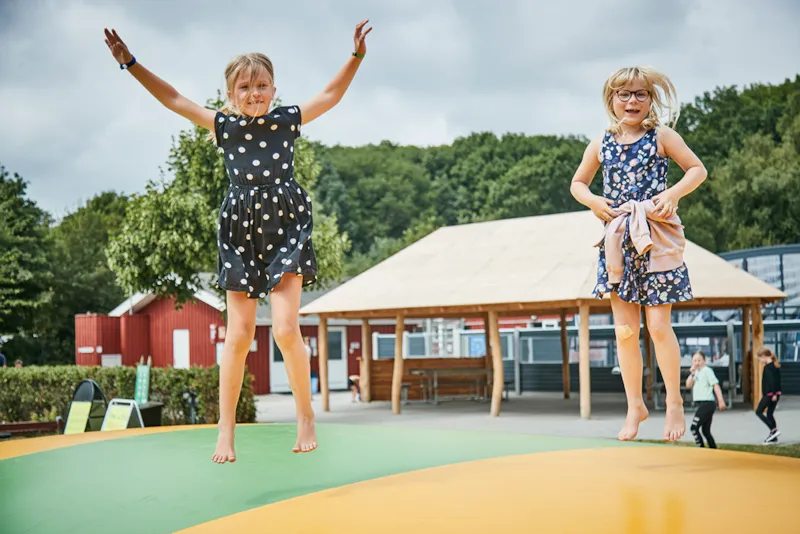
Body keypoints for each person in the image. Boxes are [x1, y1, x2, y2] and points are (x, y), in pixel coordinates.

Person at [103, 20, 372, 463]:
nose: (254, 93)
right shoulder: (223, 125)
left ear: (274, 89)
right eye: (245, 87)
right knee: (238, 335)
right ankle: (225, 430)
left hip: (286, 224)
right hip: (240, 230)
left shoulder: (286, 120)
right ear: (230, 94)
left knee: (285, 329)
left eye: (262, 85)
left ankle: (305, 416)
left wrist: (356, 56)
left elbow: (330, 95)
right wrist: (129, 63)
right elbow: (173, 98)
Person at [570, 66, 707, 442]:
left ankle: (674, 401)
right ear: (611, 99)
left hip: (656, 235)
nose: (632, 101)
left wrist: (673, 193)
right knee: (626, 331)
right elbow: (578, 183)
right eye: (624, 94)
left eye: (640, 94)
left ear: (651, 99)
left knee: (658, 326)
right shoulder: (601, 143)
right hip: (619, 239)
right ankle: (635, 406)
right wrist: (594, 201)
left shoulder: (661, 136)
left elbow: (697, 170)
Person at [685, 350, 726, 448]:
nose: (697, 363)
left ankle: (701, 447)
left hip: (707, 403)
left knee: (694, 428)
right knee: (705, 431)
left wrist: (720, 400)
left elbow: (715, 385)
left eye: (699, 360)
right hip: (700, 403)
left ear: (704, 360)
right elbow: (688, 385)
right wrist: (692, 373)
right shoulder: (696, 372)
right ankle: (713, 448)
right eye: (694, 361)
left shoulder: (707, 371)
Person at [755, 347, 782, 443]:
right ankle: (774, 436)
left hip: (770, 394)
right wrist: (776, 393)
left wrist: (773, 394)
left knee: (758, 412)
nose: (760, 361)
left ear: (764, 356)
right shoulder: (775, 366)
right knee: (769, 414)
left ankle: (773, 430)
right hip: (776, 393)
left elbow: (772, 381)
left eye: (760, 359)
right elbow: (778, 380)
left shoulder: (768, 368)